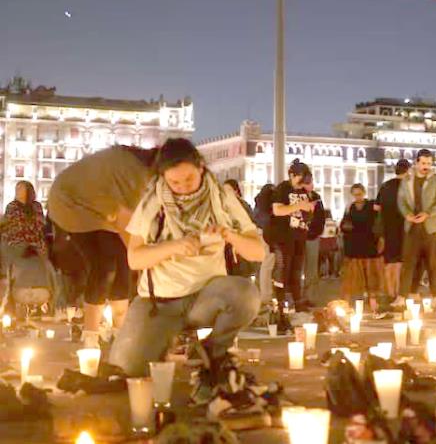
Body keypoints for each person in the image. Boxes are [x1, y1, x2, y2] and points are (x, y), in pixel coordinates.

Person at [109, 138, 263, 401]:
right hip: (158, 303)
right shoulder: (152, 202)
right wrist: (175, 246)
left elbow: (259, 251)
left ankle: (209, 354)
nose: (182, 188)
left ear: (201, 168)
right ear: (164, 178)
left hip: (204, 299)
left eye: (189, 180)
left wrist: (229, 235)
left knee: (245, 294)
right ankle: (161, 340)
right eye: (175, 183)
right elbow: (135, 258)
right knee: (126, 369)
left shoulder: (222, 197)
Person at [47, 145, 158, 333]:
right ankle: (93, 336)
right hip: (71, 205)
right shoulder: (135, 174)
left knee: (120, 262)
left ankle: (117, 332)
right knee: (105, 266)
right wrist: (146, 260)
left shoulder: (136, 167)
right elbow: (128, 228)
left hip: (95, 208)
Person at [392, 150, 436, 308]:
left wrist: (428, 214)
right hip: (412, 227)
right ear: (416, 163)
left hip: (430, 227)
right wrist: (407, 214)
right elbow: (401, 200)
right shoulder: (407, 180)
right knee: (408, 262)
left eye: (429, 164)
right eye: (423, 163)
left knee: (434, 262)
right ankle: (402, 296)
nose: (426, 167)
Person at [267, 160, 316, 325]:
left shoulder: (303, 190)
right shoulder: (283, 189)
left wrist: (308, 208)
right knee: (283, 271)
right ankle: (280, 307)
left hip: (300, 236)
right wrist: (298, 206)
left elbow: (306, 207)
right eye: (299, 180)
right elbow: (277, 210)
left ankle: (298, 305)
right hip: (284, 237)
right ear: (291, 175)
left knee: (296, 272)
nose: (301, 184)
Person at [1, 181, 56, 314]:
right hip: (16, 242)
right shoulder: (12, 206)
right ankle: (10, 300)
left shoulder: (36, 206)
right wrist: (24, 242)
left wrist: (32, 243)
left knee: (46, 267)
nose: (18, 192)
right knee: (10, 264)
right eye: (17, 189)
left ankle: (48, 302)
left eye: (21, 189)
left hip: (36, 243)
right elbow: (14, 226)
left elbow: (38, 225)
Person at [340, 183, 384, 312]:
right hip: (354, 245)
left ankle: (372, 300)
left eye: (359, 194)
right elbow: (344, 223)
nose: (357, 197)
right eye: (355, 194)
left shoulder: (372, 205)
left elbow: (379, 221)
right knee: (352, 276)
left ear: (364, 193)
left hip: (369, 244)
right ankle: (346, 303)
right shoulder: (350, 207)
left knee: (371, 275)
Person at [374, 159, 410, 301]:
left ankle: (390, 293)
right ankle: (399, 294)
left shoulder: (385, 186)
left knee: (389, 263)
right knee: (400, 263)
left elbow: (376, 208)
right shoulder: (408, 187)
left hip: (388, 230)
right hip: (404, 229)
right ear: (407, 171)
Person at [223, 179, 258, 278]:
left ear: (236, 191)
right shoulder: (224, 205)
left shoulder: (242, 205)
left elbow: (250, 224)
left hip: (239, 244)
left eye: (228, 190)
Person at [301, 174, 325, 308]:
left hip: (312, 237)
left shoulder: (316, 197)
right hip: (299, 237)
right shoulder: (296, 197)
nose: (311, 185)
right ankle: (298, 297)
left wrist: (316, 231)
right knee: (298, 268)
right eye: (308, 183)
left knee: (311, 269)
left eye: (311, 182)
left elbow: (321, 216)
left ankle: (309, 297)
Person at [318, 211, 339, 278]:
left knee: (323, 260)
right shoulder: (334, 222)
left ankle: (323, 274)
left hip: (323, 243)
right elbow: (337, 232)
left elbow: (319, 232)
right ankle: (332, 273)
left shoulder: (322, 222)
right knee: (331, 260)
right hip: (332, 242)